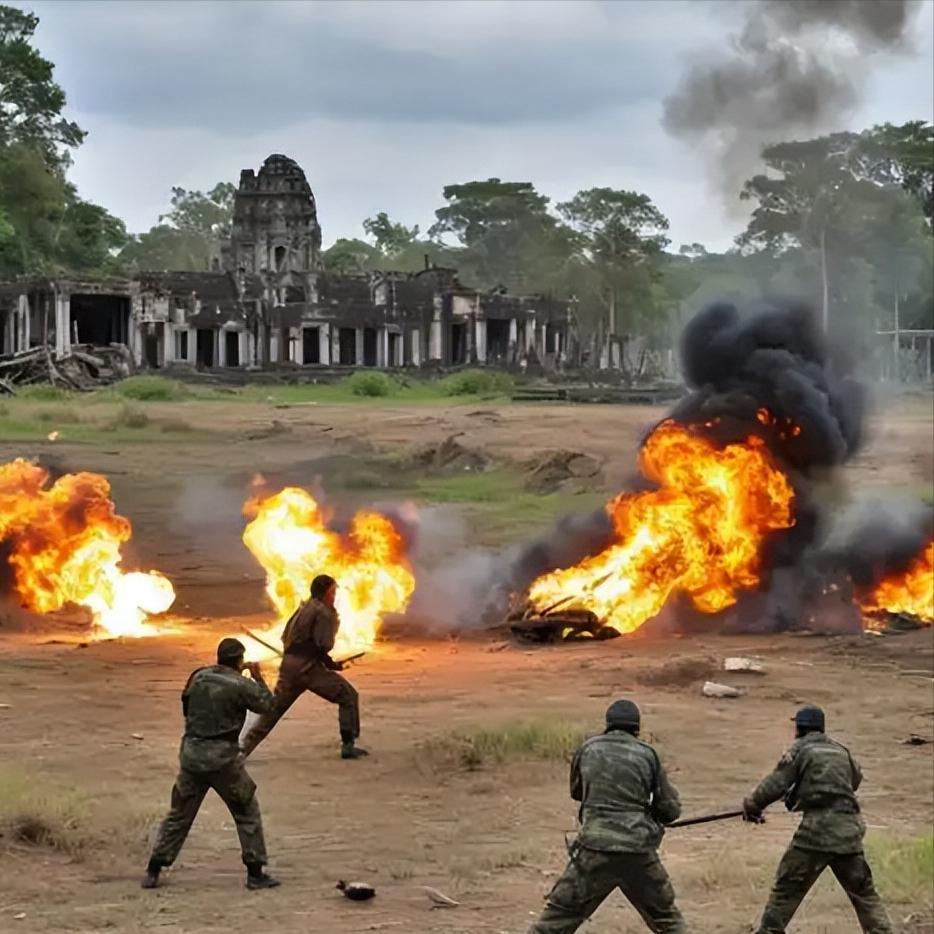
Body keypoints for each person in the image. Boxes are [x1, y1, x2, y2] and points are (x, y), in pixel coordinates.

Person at [529, 699, 686, 934]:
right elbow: (670, 812)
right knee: (668, 922)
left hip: (594, 850)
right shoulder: (647, 754)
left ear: (608, 724)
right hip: (638, 853)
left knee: (555, 921)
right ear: (637, 727)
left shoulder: (588, 748)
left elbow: (577, 792)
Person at [143, 638, 279, 890]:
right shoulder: (241, 684)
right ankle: (255, 873)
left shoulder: (198, 676)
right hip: (222, 759)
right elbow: (268, 705)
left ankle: (154, 869)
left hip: (192, 753)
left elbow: (186, 707)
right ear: (239, 660)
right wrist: (258, 677)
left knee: (179, 815)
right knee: (245, 810)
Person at [743, 705, 893, 933]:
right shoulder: (841, 750)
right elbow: (855, 780)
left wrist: (752, 806)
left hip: (816, 833)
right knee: (864, 893)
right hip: (849, 831)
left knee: (787, 889)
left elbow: (776, 784)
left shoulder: (801, 749)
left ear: (800, 728)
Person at [239, 574, 367, 760]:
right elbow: (323, 644)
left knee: (273, 710)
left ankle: (244, 749)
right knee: (347, 695)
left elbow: (286, 638)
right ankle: (348, 744)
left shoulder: (303, 608)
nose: (334, 596)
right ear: (324, 593)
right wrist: (330, 663)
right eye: (332, 592)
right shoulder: (324, 613)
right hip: (309, 669)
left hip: (290, 667)